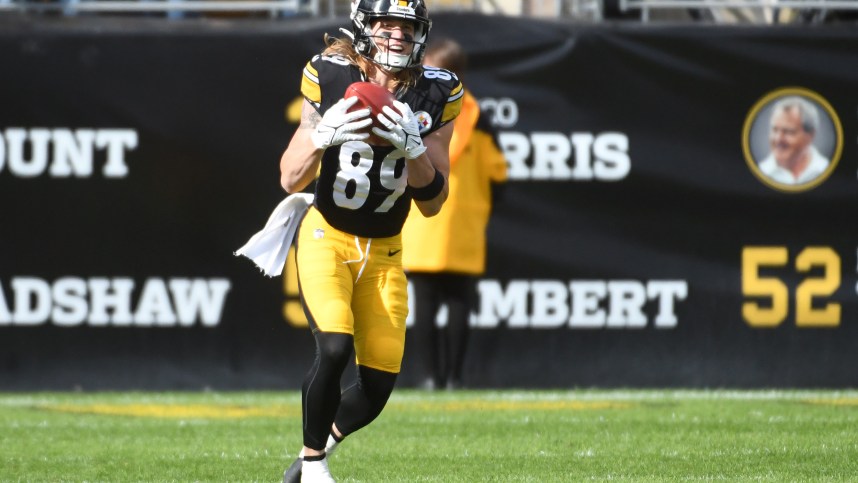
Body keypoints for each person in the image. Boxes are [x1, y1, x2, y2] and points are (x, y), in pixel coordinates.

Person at [277, 0, 463, 481]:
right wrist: (323, 136)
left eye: (407, 25)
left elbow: (432, 201)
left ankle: (302, 464)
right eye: (387, 23)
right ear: (365, 26)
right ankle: (315, 467)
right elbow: (289, 176)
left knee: (378, 384)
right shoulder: (330, 74)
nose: (397, 34)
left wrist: (414, 149)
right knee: (335, 349)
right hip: (328, 235)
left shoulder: (438, 92)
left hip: (385, 250)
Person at [401, 38, 508, 391]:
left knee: (426, 308)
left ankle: (431, 378)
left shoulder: (419, 109)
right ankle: (456, 379)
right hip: (464, 223)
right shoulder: (480, 118)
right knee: (461, 305)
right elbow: (498, 173)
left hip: (422, 221)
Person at [758, 96, 830, 185]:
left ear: (810, 135)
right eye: (774, 130)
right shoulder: (760, 172)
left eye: (788, 131)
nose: (778, 139)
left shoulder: (826, 170)